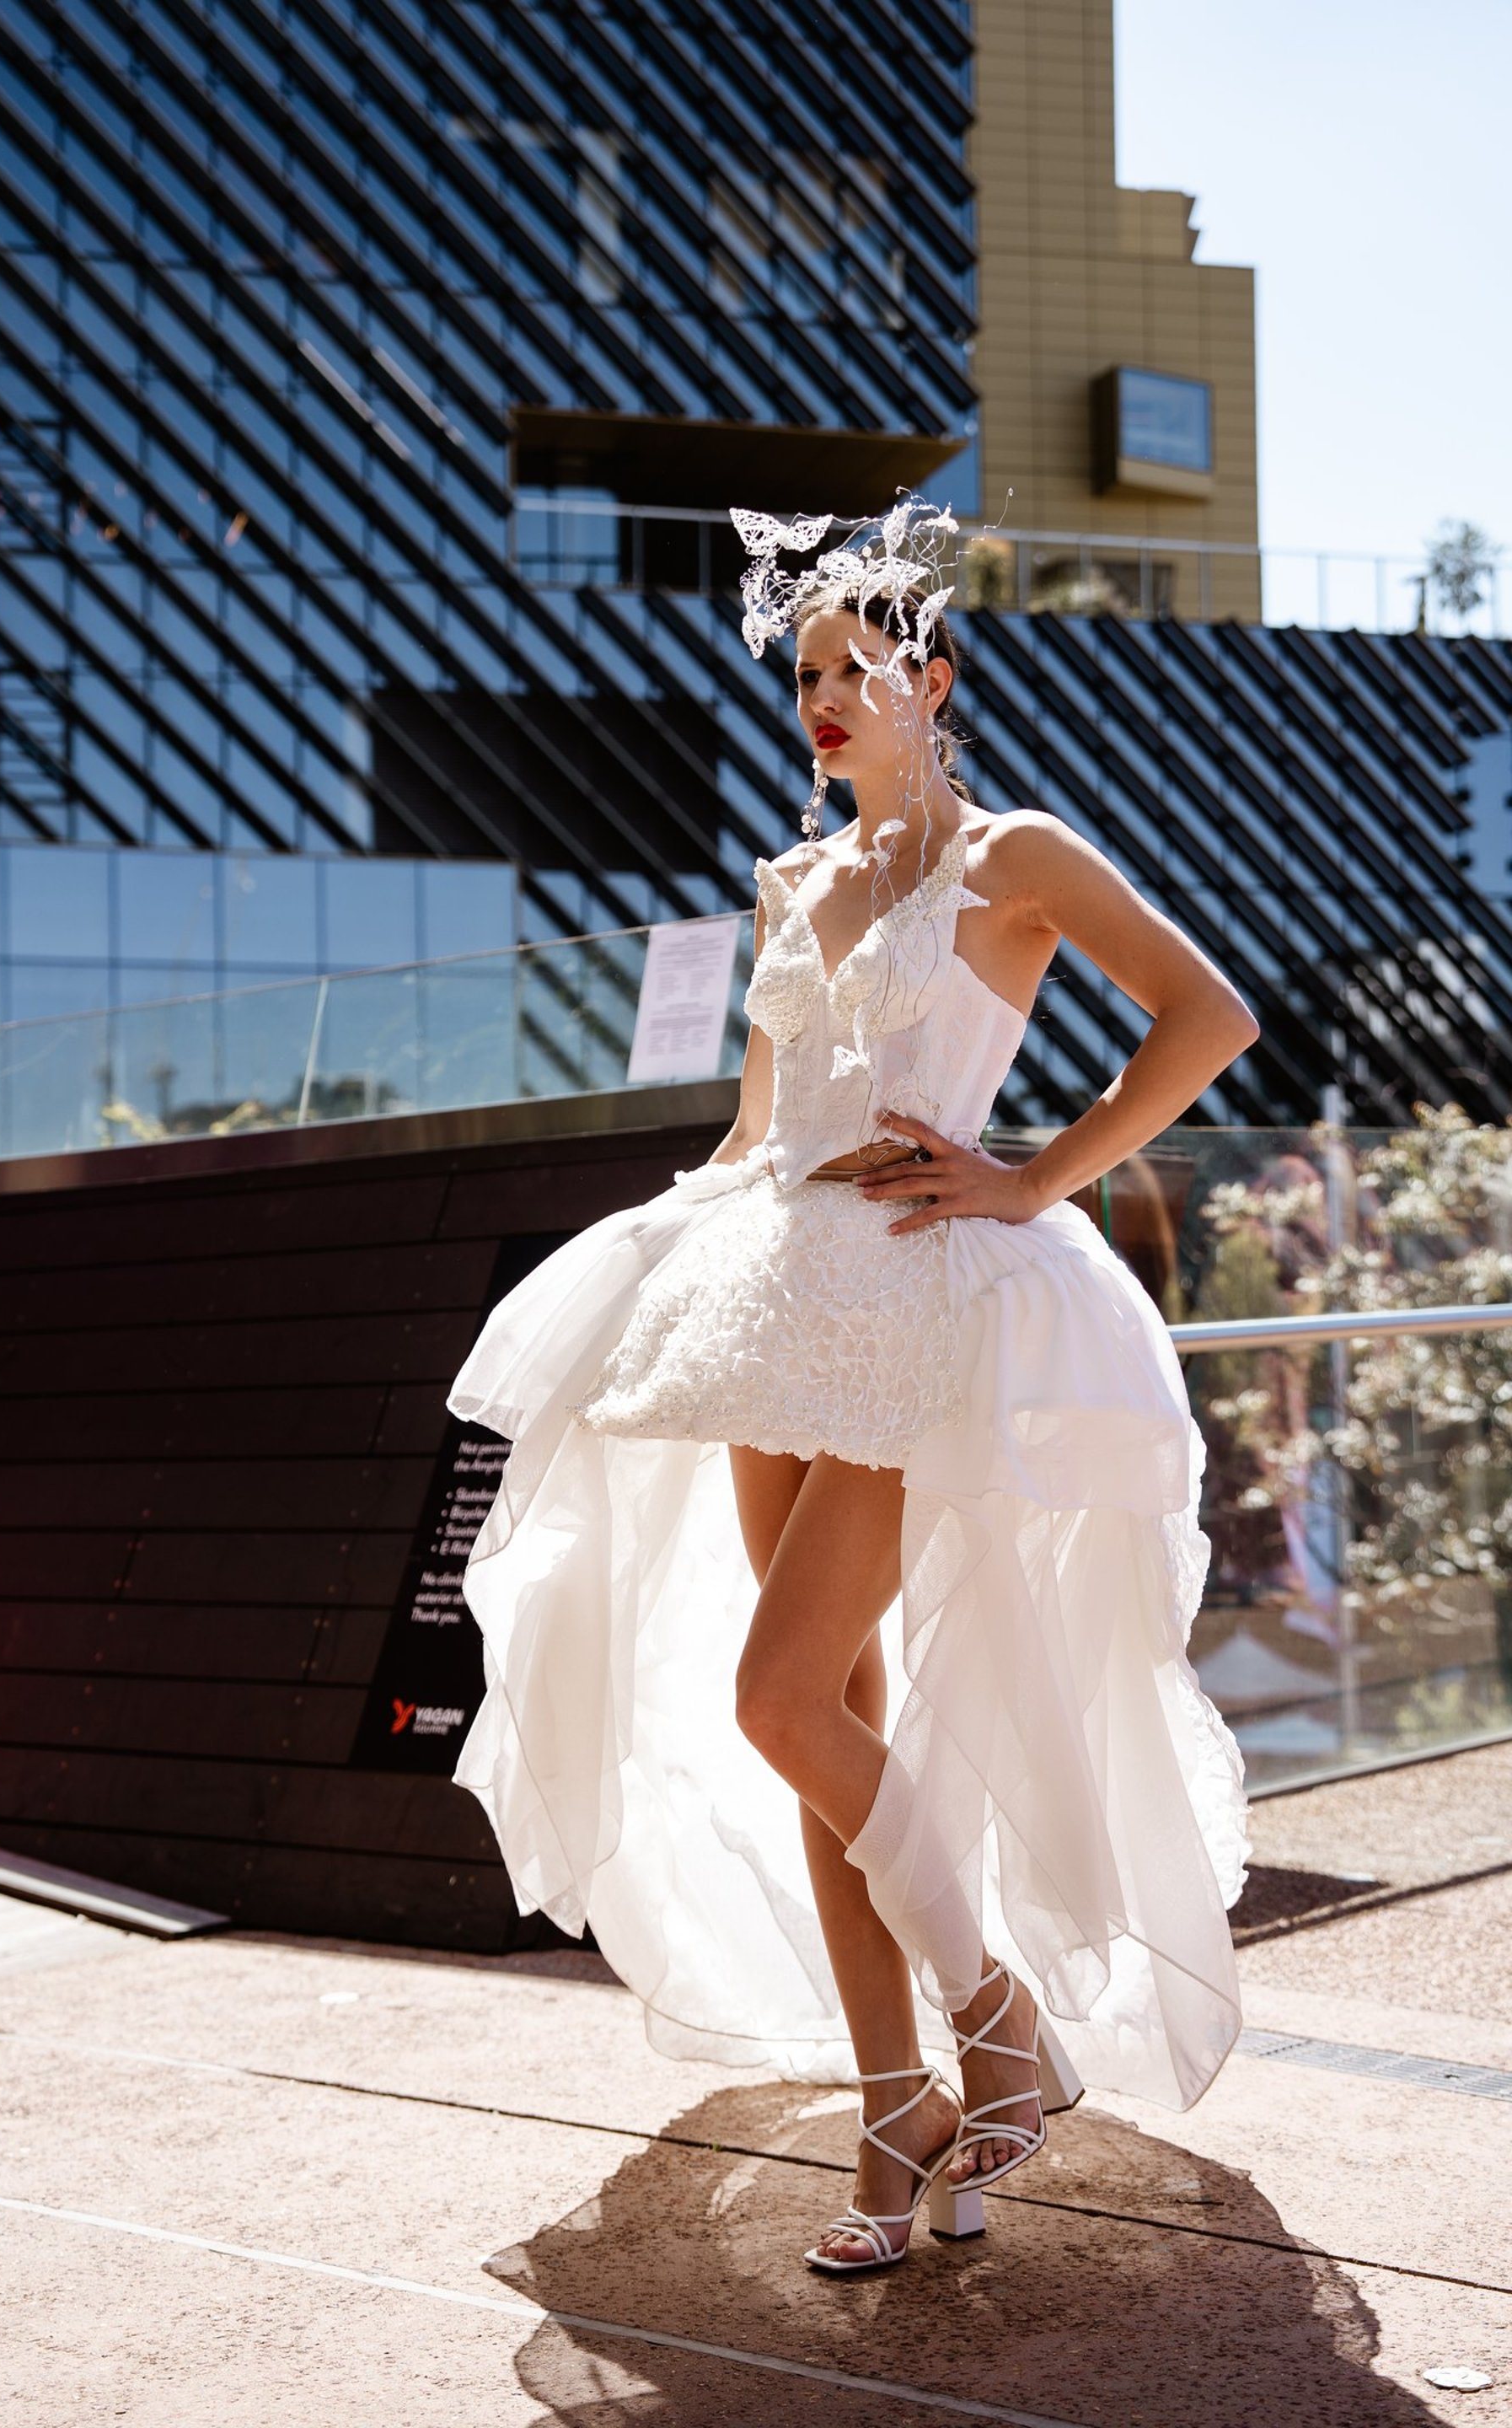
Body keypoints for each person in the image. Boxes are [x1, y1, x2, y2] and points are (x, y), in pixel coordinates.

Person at [448, 504, 1257, 2278]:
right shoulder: (797, 883)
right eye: (802, 672)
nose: (820, 697)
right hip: (776, 1303)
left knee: (778, 1693)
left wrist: (1037, 1180)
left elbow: (1207, 1018)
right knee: (837, 1739)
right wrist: (663, 1251)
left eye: (853, 667)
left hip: (932, 1312)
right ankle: (899, 2113)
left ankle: (999, 2026)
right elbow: (761, 1129)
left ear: (932, 677)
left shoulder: (1016, 856)